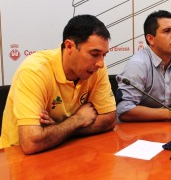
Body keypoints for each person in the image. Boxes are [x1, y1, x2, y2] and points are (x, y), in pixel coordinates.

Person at [1, 15, 116, 154]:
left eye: (104, 55)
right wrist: (78, 119)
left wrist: (59, 129)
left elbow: (109, 119)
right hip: (16, 157)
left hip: (65, 150)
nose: (101, 63)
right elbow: (31, 142)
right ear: (69, 46)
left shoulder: (97, 69)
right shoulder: (34, 71)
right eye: (94, 54)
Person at [116, 10, 171, 122]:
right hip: (136, 131)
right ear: (151, 39)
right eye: (167, 31)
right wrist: (170, 113)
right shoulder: (138, 64)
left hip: (166, 127)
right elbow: (124, 110)